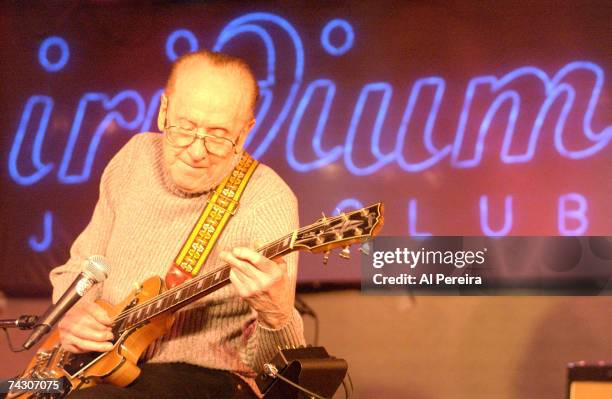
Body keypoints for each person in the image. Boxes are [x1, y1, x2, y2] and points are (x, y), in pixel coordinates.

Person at [49, 50, 306, 398]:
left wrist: (277, 315)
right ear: (163, 110)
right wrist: (74, 312)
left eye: (218, 135)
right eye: (185, 127)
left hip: (205, 379)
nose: (197, 150)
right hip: (97, 367)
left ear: (246, 131)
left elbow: (275, 367)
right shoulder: (135, 157)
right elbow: (82, 265)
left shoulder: (267, 202)